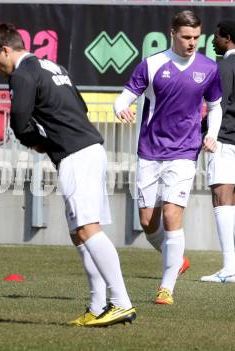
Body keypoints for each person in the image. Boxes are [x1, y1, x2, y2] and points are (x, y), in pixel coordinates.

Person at [0, 22, 136, 327]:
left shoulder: (22, 74)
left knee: (88, 229)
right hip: (88, 148)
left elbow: (19, 123)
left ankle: (121, 303)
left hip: (77, 155)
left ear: (6, 50)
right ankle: (98, 305)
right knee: (80, 232)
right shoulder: (51, 65)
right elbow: (81, 105)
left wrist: (40, 143)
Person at [114, 10, 222, 304]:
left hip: (185, 151)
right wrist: (121, 108)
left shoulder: (208, 68)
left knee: (173, 214)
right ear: (172, 33)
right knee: (149, 222)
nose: (192, 43)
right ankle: (176, 259)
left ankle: (166, 287)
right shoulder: (151, 65)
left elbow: (215, 107)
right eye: (186, 37)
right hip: (149, 150)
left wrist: (211, 134)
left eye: (197, 38)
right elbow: (124, 96)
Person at [201, 20, 235, 283]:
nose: (213, 42)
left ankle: (229, 267)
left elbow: (218, 105)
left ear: (228, 38)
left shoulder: (223, 66)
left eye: (216, 37)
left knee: (222, 199)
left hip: (224, 139)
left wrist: (203, 130)